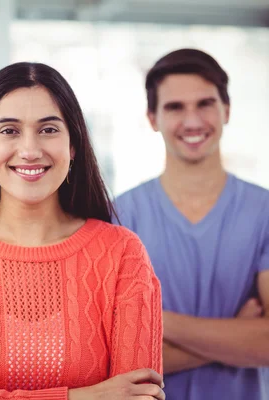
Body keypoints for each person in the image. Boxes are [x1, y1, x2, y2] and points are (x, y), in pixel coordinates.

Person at [0, 62, 165, 399]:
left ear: (73, 145)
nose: (31, 150)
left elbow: (138, 397)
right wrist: (84, 396)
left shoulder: (122, 253)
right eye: (9, 131)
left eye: (49, 129)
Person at [114, 48, 269, 399]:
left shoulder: (264, 212)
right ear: (152, 118)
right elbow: (116, 362)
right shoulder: (121, 217)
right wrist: (238, 335)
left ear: (226, 110)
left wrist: (160, 322)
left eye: (205, 103)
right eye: (175, 107)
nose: (193, 120)